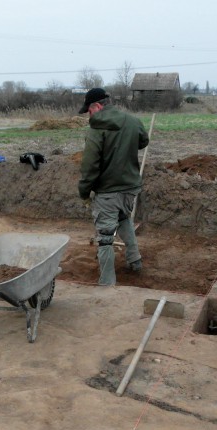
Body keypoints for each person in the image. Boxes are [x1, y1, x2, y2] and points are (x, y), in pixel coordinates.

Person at [78, 88, 149, 286]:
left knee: (105, 237)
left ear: (97, 106)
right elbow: (143, 141)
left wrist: (84, 192)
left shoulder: (97, 129)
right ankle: (135, 261)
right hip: (130, 187)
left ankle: (107, 283)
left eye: (89, 111)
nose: (89, 116)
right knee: (123, 218)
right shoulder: (132, 121)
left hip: (108, 191)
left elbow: (90, 166)